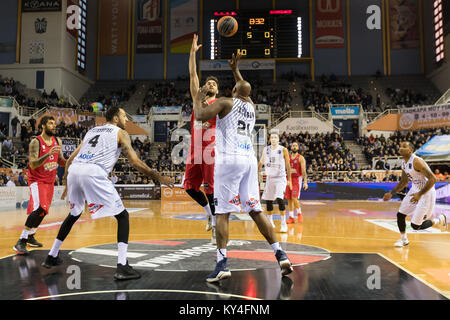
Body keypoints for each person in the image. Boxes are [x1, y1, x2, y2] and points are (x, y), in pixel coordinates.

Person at [41, 107, 174, 280]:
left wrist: (67, 181)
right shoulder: (120, 133)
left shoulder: (92, 131)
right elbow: (134, 162)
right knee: (123, 216)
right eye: (125, 116)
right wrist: (158, 176)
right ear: (115, 118)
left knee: (74, 214)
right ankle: (122, 266)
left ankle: (51, 256)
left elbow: (71, 158)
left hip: (75, 170)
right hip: (94, 172)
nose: (127, 120)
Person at [193, 53, 293, 282]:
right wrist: (236, 70)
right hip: (249, 160)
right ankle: (280, 253)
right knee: (255, 209)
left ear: (234, 91)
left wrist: (198, 96)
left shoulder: (225, 102)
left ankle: (222, 263)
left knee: (222, 213)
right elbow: (244, 89)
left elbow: (199, 115)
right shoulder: (251, 107)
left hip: (229, 160)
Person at [183, 34, 218, 243]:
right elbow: (192, 74)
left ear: (217, 90)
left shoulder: (220, 104)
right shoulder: (198, 98)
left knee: (211, 189)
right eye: (208, 82)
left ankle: (215, 227)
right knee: (189, 187)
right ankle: (209, 213)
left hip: (211, 150)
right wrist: (192, 54)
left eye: (214, 83)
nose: (210, 84)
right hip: (195, 148)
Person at [13, 116, 66, 255]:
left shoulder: (57, 141)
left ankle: (31, 236)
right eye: (50, 123)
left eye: (55, 124)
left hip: (49, 182)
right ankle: (21, 241)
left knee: (44, 211)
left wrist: (71, 161)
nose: (54, 126)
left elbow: (60, 160)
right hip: (37, 180)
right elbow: (33, 164)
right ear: (43, 126)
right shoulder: (36, 142)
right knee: (39, 207)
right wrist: (48, 154)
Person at [383, 142, 447, 247]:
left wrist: (419, 194)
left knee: (415, 226)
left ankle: (439, 219)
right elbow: (404, 182)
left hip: (427, 192)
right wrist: (391, 193)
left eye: (404, 146)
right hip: (415, 190)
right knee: (400, 215)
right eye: (400, 146)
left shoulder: (416, 161)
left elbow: (433, 179)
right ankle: (404, 240)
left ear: (410, 150)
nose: (400, 148)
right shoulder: (404, 163)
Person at [259, 132, 292, 233]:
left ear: (278, 139)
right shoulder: (266, 149)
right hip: (270, 178)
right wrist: (256, 172)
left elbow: (288, 165)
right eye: (272, 137)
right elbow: (261, 162)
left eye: (275, 137)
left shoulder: (283, 149)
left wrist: (289, 179)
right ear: (269, 139)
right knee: (268, 200)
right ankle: (270, 221)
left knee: (279, 199)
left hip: (280, 178)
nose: (273, 139)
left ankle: (283, 223)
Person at [284, 142, 308, 224]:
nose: (294, 147)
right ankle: (291, 217)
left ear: (298, 148)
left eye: (296, 146)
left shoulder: (300, 158)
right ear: (291, 147)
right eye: (293, 145)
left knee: (294, 198)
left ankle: (299, 214)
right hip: (288, 179)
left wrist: (305, 182)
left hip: (297, 179)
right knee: (289, 199)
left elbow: (304, 171)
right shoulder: (288, 158)